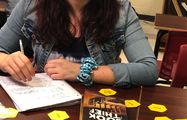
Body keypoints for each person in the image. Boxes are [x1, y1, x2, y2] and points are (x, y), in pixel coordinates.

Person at [0, 0, 158, 87]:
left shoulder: (121, 10)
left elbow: (148, 70)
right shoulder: (31, 5)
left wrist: (83, 72)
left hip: (99, 106)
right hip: (46, 106)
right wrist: (6, 60)